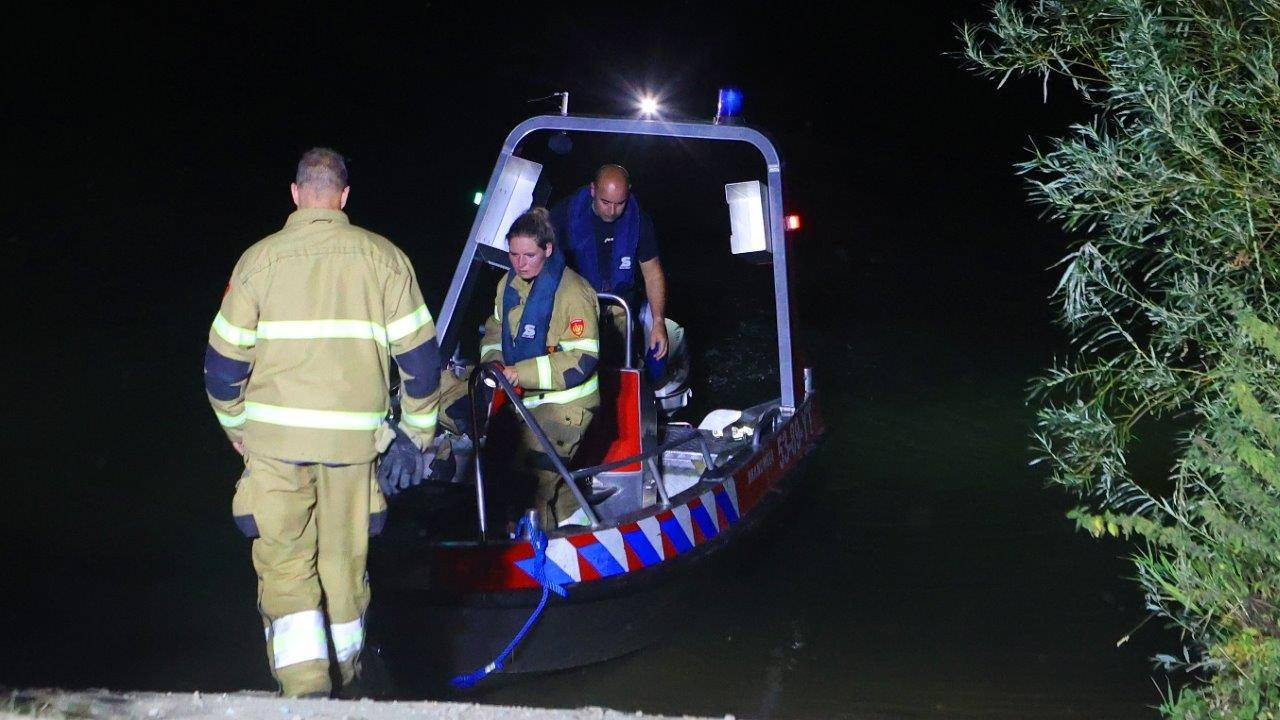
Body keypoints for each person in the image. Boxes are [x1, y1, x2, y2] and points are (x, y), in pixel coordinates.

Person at [203, 148, 439, 698]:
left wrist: (237, 428)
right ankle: (351, 685)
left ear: (294, 193)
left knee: (285, 565)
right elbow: (422, 364)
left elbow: (221, 369)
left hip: (273, 448)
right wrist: (416, 435)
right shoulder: (386, 260)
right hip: (354, 449)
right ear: (344, 197)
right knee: (343, 567)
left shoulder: (257, 262)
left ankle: (305, 693)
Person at [480, 207, 601, 529]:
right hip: (522, 400)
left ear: (548, 250)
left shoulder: (574, 293)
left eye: (529, 255)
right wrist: (491, 362)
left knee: (530, 483)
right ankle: (574, 516)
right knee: (490, 465)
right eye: (513, 255)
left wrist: (519, 373)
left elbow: (581, 360)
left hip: (566, 405)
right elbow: (495, 327)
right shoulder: (507, 285)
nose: (520, 263)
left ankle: (537, 558)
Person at [550, 164, 668, 362]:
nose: (612, 211)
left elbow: (652, 273)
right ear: (593, 190)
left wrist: (658, 322)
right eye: (606, 202)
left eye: (620, 203)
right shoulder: (563, 215)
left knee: (628, 358)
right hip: (575, 305)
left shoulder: (640, 221)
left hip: (620, 306)